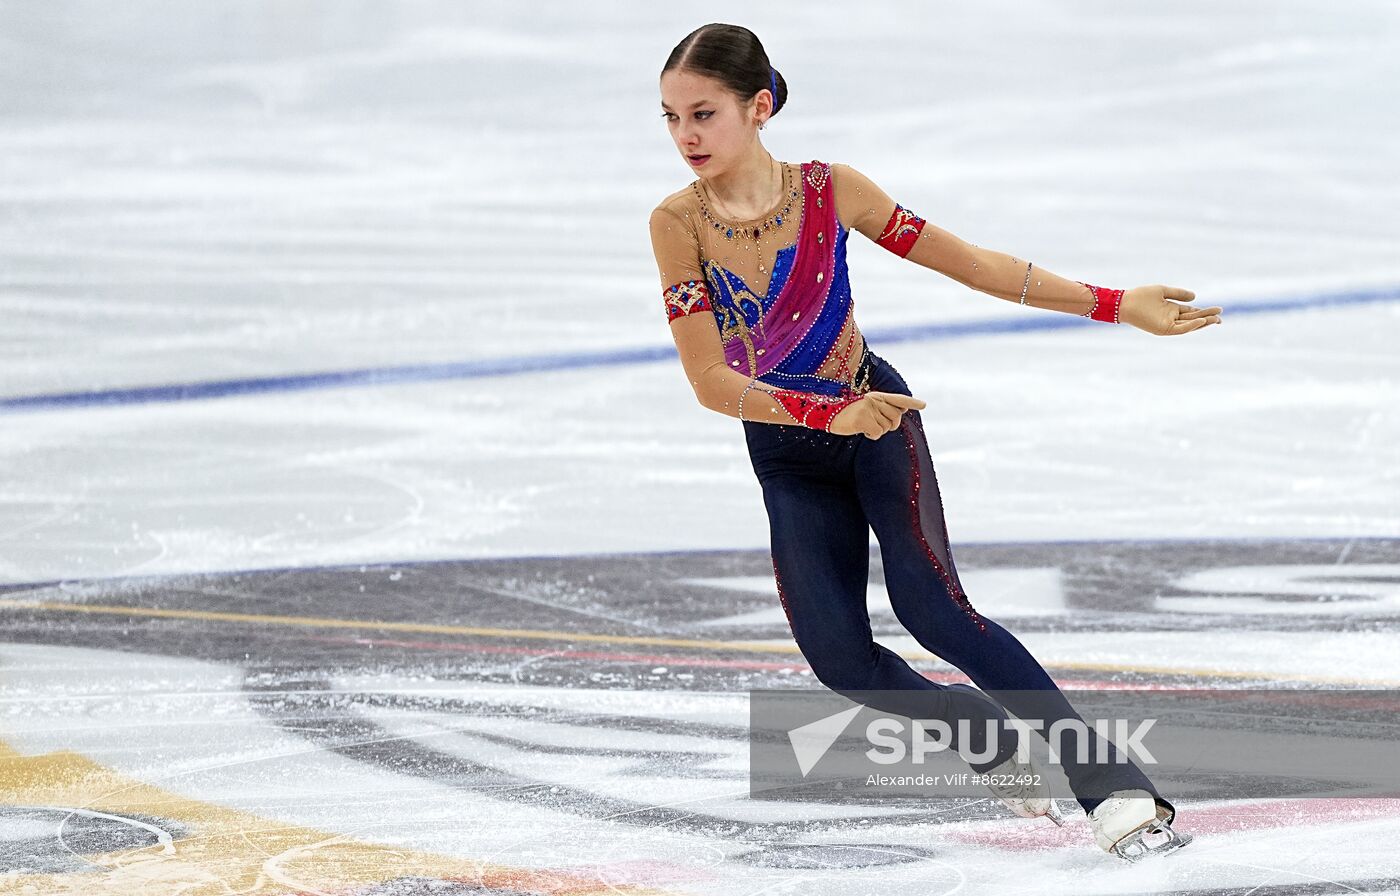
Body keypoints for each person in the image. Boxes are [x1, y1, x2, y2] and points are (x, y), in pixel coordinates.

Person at [647, 23, 1218, 861]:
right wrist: (815, 417)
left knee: (933, 608)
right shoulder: (676, 223)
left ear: (758, 106)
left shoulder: (830, 189)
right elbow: (708, 379)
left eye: (703, 113)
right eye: (669, 118)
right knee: (840, 659)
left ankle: (1114, 788)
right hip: (789, 446)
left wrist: (1112, 301)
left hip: (876, 414)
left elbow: (974, 265)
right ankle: (986, 741)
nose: (685, 136)